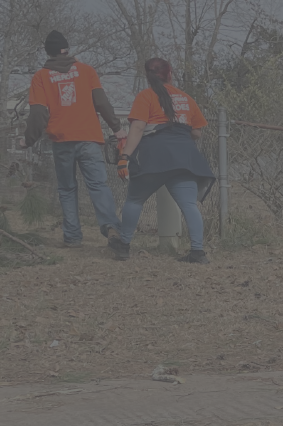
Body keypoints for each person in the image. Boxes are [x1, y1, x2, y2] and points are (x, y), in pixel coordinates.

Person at [20, 30, 126, 249]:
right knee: (98, 185)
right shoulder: (86, 71)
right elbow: (102, 102)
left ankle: (72, 237)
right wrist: (117, 128)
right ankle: (111, 227)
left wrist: (28, 140)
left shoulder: (41, 77)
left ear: (48, 53)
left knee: (67, 188)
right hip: (89, 138)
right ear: (67, 49)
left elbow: (38, 113)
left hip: (61, 140)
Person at [108, 57, 214, 264]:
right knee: (189, 205)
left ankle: (124, 245)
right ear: (170, 74)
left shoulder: (146, 96)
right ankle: (198, 252)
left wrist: (124, 157)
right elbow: (197, 133)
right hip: (185, 157)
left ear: (148, 77)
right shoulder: (186, 98)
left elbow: (138, 128)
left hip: (153, 157)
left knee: (135, 199)